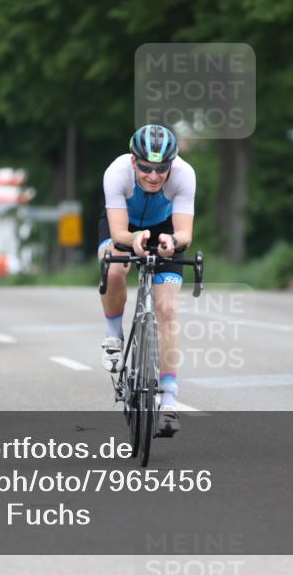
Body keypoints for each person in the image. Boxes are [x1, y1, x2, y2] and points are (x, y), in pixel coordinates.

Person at [98, 124, 195, 437]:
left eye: (161, 169)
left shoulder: (184, 175)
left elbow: (185, 234)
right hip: (124, 224)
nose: (153, 176)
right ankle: (114, 336)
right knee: (115, 269)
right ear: (133, 161)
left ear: (171, 164)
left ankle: (169, 401)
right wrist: (135, 238)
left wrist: (172, 241)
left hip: (164, 227)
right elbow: (117, 233)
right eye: (146, 168)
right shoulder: (116, 173)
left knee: (167, 310)